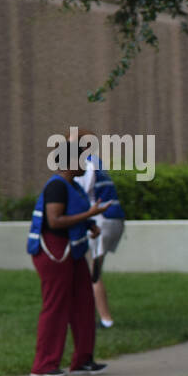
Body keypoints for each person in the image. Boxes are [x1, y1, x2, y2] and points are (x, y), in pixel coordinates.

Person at [26, 136, 109, 376]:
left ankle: (83, 360)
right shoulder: (56, 186)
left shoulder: (73, 186)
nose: (86, 162)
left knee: (84, 302)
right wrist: (89, 214)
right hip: (55, 251)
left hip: (73, 250)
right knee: (56, 305)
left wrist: (90, 222)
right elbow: (55, 220)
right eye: (83, 158)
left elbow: (74, 213)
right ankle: (44, 365)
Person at [76, 132, 126, 329]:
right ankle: (99, 317)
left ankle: (105, 319)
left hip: (100, 220)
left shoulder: (85, 167)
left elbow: (80, 195)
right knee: (94, 271)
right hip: (114, 218)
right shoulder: (97, 163)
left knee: (91, 272)